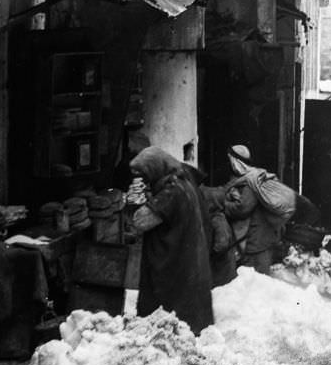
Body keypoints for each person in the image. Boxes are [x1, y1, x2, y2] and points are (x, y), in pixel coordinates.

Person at [127, 145, 214, 335]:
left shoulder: (171, 192)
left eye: (143, 174)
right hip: (189, 262)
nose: (142, 179)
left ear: (154, 169)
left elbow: (142, 222)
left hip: (177, 266)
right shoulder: (184, 182)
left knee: (172, 324)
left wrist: (134, 204)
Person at [222, 143, 298, 273]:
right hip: (264, 237)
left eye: (231, 161)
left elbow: (242, 209)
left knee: (256, 280)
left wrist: (224, 205)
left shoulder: (251, 182)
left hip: (257, 241)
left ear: (236, 162)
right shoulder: (255, 176)